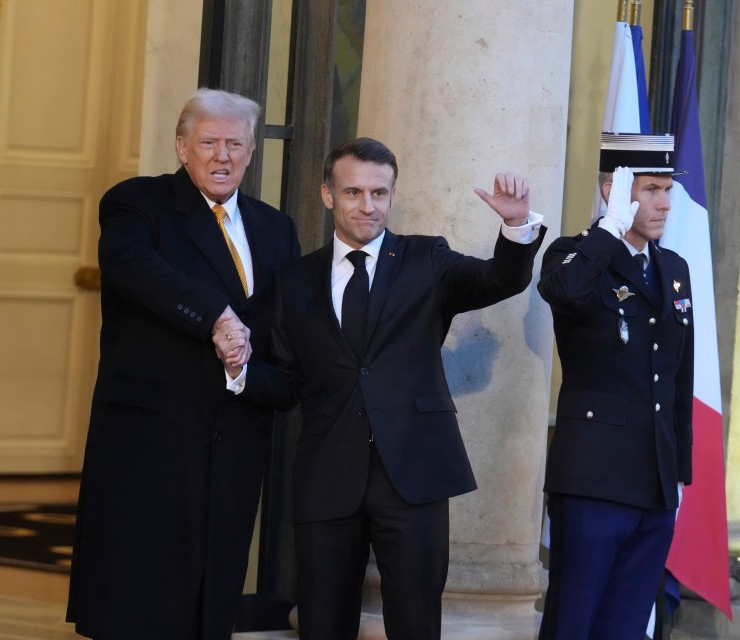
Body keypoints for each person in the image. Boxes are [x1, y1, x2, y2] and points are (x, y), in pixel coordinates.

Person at [217, 137, 545, 639]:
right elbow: (287, 382)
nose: (367, 206)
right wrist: (239, 370)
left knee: (416, 624)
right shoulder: (295, 280)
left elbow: (496, 280)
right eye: (353, 193)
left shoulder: (425, 258)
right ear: (328, 195)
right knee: (323, 625)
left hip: (414, 472)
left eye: (379, 193)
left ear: (392, 196)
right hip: (327, 475)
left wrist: (515, 227)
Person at [66, 88, 300, 640]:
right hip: (152, 436)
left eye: (236, 144)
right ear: (181, 147)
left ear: (250, 154)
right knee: (140, 596)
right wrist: (215, 314)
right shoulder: (137, 203)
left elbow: (284, 329)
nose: (223, 156)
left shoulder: (275, 228)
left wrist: (258, 377)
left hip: (235, 432)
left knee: (210, 596)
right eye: (209, 142)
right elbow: (135, 268)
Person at [537, 133, 693, 638]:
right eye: (650, 189)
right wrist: (609, 230)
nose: (665, 202)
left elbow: (677, 375)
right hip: (593, 480)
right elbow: (563, 292)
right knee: (573, 622)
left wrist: (679, 469)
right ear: (614, 189)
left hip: (654, 480)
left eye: (667, 188)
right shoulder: (575, 255)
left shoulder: (673, 269)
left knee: (625, 626)